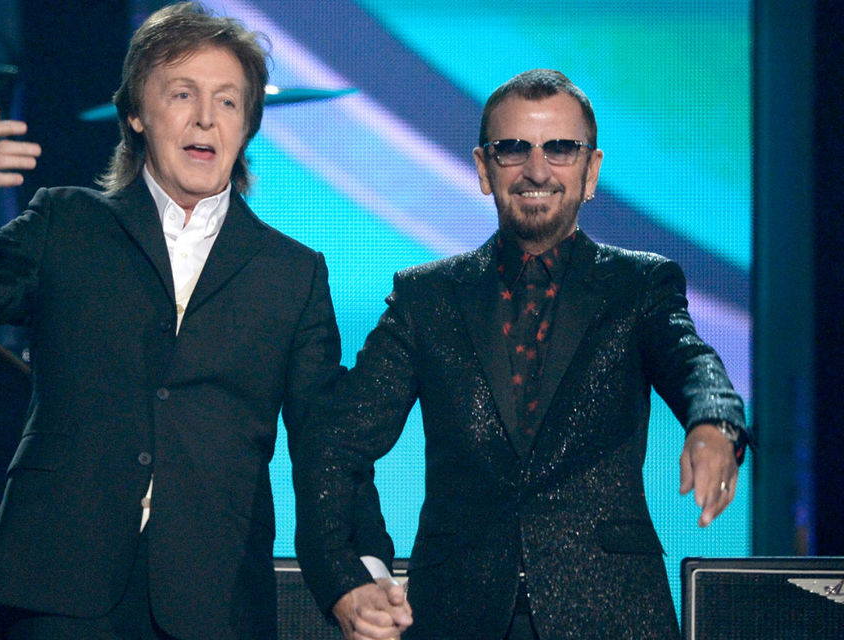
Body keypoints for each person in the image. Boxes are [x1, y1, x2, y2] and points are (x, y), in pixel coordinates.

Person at [0, 3, 391, 639]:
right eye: (182, 94)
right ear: (136, 113)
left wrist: (356, 571)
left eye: (228, 101)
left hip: (212, 597)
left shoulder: (292, 274)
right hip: (59, 584)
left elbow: (325, 439)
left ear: (246, 125)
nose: (205, 117)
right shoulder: (68, 223)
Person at [294, 69, 750, 640]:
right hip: (455, 615)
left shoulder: (639, 286)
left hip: (611, 614)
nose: (537, 169)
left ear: (591, 171)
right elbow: (336, 441)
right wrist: (347, 576)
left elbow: (692, 362)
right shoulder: (427, 297)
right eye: (513, 149)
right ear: (484, 169)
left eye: (561, 148)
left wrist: (714, 422)